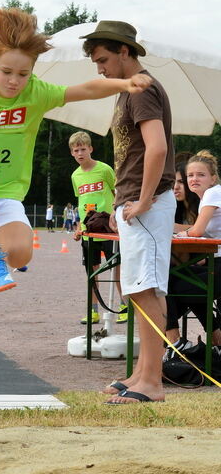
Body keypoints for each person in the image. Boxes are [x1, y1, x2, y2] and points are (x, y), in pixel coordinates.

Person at [0, 0, 152, 294]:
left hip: (6, 195)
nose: (14, 81)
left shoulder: (37, 93)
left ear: (32, 71)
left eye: (23, 75)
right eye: (6, 72)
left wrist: (124, 85)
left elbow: (86, 89)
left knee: (22, 254)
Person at [83, 21, 176, 403]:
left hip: (145, 203)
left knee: (147, 289)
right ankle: (141, 372)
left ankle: (152, 382)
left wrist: (143, 198)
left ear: (125, 51)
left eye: (103, 59)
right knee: (137, 290)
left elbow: (156, 148)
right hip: (134, 202)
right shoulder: (128, 91)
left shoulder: (142, 89)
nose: (99, 68)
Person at [165, 150, 221, 357]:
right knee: (173, 278)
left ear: (213, 178)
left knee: (168, 283)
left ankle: (174, 342)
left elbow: (196, 231)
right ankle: (215, 337)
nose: (194, 179)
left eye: (201, 175)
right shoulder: (209, 196)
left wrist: (170, 232)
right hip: (213, 263)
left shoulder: (213, 193)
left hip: (218, 265)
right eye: (191, 175)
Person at [69, 130, 127, 325]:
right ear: (72, 153)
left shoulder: (104, 170)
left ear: (90, 149)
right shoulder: (75, 176)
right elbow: (81, 202)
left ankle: (124, 306)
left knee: (117, 269)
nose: (79, 153)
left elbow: (117, 192)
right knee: (92, 271)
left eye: (83, 149)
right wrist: (79, 227)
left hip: (109, 228)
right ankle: (93, 311)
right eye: (76, 150)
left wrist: (116, 217)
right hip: (89, 231)